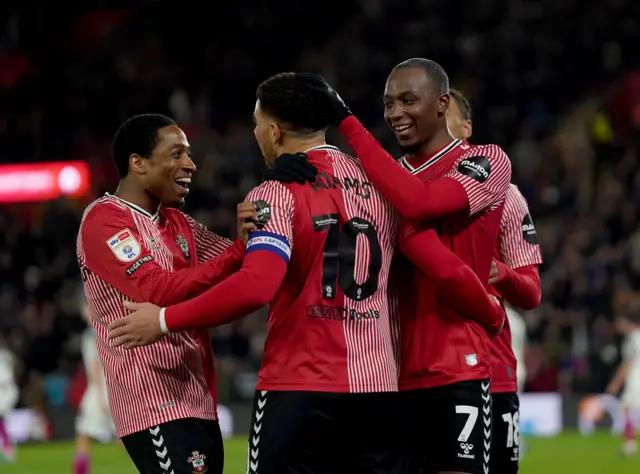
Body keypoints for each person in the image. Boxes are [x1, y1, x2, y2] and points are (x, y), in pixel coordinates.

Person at [107, 72, 505, 474]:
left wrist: (162, 320)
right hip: (379, 391)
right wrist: (489, 309)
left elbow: (256, 287)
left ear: (275, 133)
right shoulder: (384, 185)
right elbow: (440, 262)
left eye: (257, 125)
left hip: (298, 390)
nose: (257, 134)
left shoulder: (275, 193)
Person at [304, 59, 512, 474]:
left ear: (442, 102)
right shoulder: (384, 180)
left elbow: (420, 203)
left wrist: (346, 121)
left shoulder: (485, 160)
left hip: (457, 366)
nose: (395, 112)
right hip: (388, 375)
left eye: (408, 100)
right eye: (387, 104)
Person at [77, 113, 311, 474]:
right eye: (176, 154)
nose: (190, 164)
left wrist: (288, 192)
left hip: (198, 398)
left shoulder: (179, 224)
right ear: (137, 163)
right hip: (152, 401)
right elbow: (155, 288)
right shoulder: (104, 220)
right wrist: (237, 251)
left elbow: (249, 268)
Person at [447, 88, 543, 474]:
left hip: (490, 370)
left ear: (465, 127)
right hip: (415, 371)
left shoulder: (506, 195)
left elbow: (532, 291)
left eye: (444, 114)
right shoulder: (403, 191)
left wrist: (498, 272)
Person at [73, 293, 117, 474]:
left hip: (100, 391)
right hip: (112, 388)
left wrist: (101, 398)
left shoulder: (92, 336)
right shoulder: (106, 331)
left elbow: (97, 367)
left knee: (84, 436)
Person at [607, 300, 640, 456]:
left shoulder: (631, 339)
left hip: (636, 377)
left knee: (626, 409)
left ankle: (629, 445)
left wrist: (615, 383)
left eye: (621, 323)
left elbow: (627, 364)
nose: (619, 326)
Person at [0, 335, 17, 463]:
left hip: (5, 392)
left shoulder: (4, 355)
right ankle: (7, 448)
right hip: (8, 390)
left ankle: (8, 449)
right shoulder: (6, 354)